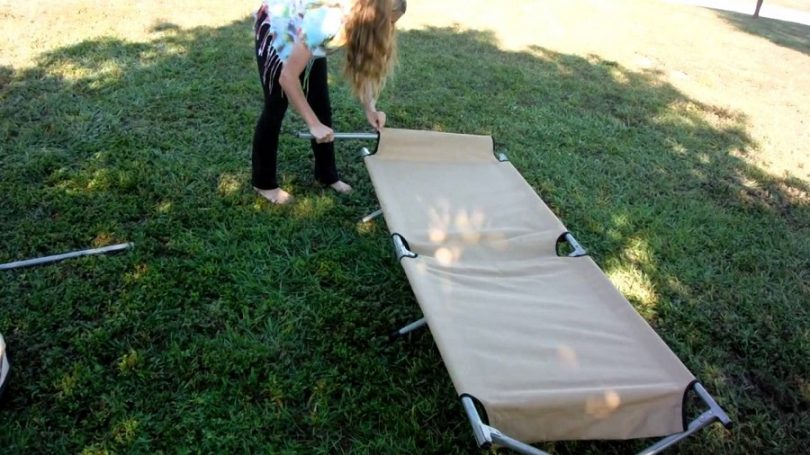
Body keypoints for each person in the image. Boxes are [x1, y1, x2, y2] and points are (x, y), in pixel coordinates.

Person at [251, 0, 407, 204]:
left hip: (305, 36)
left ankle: (326, 175)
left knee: (321, 104)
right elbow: (287, 78)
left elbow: (363, 64)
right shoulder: (326, 22)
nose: (390, 29)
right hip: (279, 27)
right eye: (388, 22)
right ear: (373, 16)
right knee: (275, 106)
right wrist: (313, 124)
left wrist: (370, 108)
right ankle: (263, 183)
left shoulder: (360, 22)